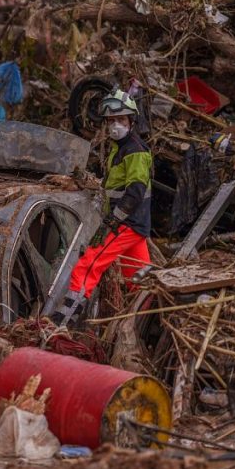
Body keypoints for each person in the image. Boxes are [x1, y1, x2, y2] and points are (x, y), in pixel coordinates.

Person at [54, 89, 152, 324]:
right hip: (134, 225)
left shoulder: (135, 151)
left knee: (88, 265)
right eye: (111, 121)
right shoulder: (119, 148)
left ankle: (62, 323)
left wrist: (112, 221)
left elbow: (135, 192)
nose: (115, 125)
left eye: (121, 120)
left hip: (127, 222)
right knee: (140, 280)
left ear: (132, 121)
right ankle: (148, 324)